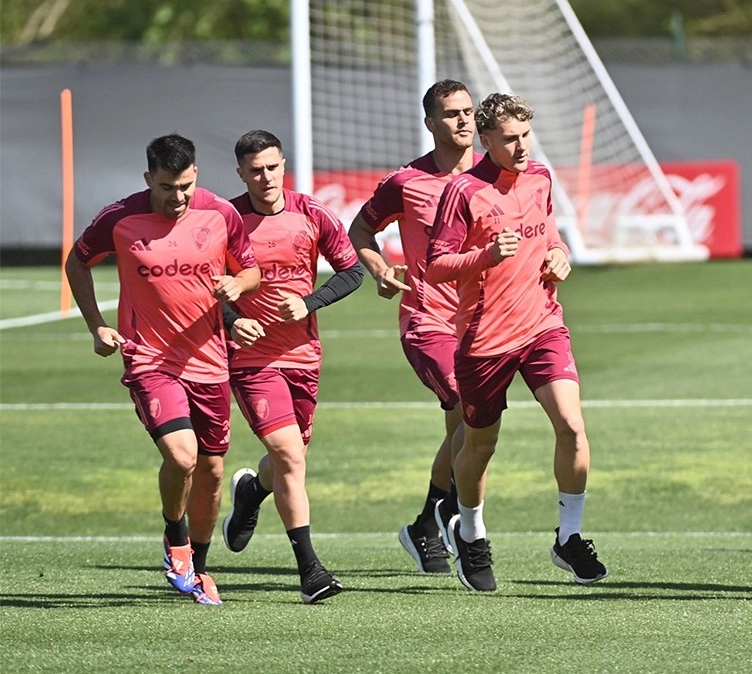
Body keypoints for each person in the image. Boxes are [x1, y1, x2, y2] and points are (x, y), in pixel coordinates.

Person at [64, 133, 260, 606]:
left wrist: (237, 283)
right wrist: (97, 326)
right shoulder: (120, 218)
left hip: (210, 361)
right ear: (148, 179)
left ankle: (198, 567)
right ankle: (175, 536)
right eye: (168, 187)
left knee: (212, 472)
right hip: (149, 358)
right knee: (181, 455)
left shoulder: (221, 213)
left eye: (186, 186)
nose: (179, 197)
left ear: (197, 176)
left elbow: (251, 270)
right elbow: (78, 261)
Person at [426, 92, 608, 592]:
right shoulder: (463, 192)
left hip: (543, 324)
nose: (522, 146)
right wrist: (484, 256)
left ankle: (569, 538)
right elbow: (436, 265)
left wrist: (560, 255)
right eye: (509, 138)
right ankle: (471, 531)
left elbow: (550, 235)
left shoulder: (541, 178)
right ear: (486, 141)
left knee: (572, 425)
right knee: (480, 443)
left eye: (526, 135)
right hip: (484, 339)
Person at [218, 130, 363, 603]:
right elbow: (202, 286)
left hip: (302, 356)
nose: (265, 177)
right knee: (290, 456)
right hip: (252, 359)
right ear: (241, 172)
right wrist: (235, 321)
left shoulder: (312, 214)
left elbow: (353, 271)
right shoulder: (225, 221)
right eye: (255, 170)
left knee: (290, 455)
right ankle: (311, 571)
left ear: (284, 166)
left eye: (272, 167)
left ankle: (250, 493)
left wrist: (310, 301)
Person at [347, 79, 482, 574]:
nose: (464, 120)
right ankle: (458, 526)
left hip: (485, 324)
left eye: (469, 111)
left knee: (468, 428)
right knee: (471, 411)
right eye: (451, 113)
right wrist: (379, 269)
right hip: (428, 320)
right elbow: (359, 229)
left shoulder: (496, 180)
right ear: (430, 123)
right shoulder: (406, 182)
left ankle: (428, 520)